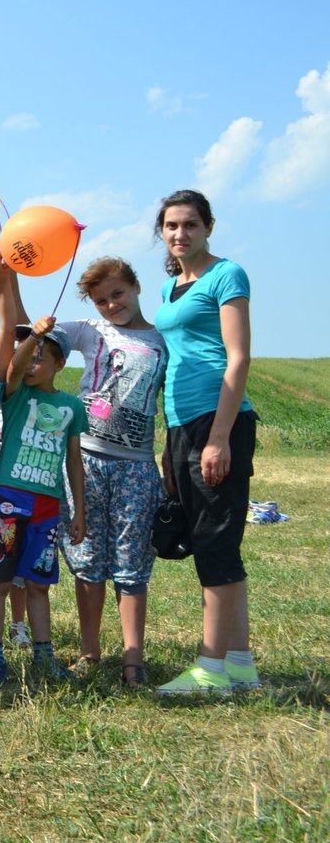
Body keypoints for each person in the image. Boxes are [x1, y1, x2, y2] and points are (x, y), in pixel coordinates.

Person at [11, 257, 167, 687]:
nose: (111, 305)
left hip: (137, 466)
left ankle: (133, 659)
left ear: (136, 287)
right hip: (88, 460)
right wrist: (11, 279)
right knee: (88, 561)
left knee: (131, 564)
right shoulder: (89, 330)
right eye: (101, 301)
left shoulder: (161, 341)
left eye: (118, 294)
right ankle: (90, 652)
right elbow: (32, 332)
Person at [150, 190, 259, 696]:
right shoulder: (170, 286)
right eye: (171, 225)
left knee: (216, 538)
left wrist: (219, 438)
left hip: (218, 419)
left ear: (208, 228)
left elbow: (239, 358)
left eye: (190, 224)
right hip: (182, 423)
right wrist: (170, 440)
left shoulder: (226, 274)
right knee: (210, 539)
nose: (180, 233)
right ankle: (240, 664)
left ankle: (210, 668)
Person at [0, 255, 87, 683]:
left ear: (61, 365)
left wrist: (78, 510)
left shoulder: (72, 406)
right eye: (30, 356)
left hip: (48, 506)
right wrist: (33, 337)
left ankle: (44, 657)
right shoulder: (14, 393)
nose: (32, 363)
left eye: (42, 358)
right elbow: (12, 366)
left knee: (38, 584)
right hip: (7, 500)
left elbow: (74, 461)